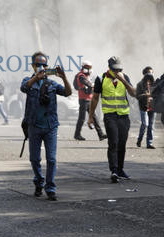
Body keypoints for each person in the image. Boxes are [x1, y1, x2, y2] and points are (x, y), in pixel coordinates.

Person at [21, 51, 72, 200]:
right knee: (34, 159)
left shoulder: (52, 84)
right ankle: (39, 181)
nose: (42, 67)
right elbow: (24, 88)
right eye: (38, 65)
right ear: (32, 66)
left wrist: (64, 77)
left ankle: (50, 188)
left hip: (50, 126)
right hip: (34, 126)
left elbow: (68, 92)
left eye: (44, 65)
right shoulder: (28, 80)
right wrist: (36, 77)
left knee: (51, 159)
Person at [89, 56, 137, 183]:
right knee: (113, 142)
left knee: (122, 144)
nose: (117, 72)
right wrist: (90, 117)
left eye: (119, 69)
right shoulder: (101, 79)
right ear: (109, 68)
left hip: (124, 116)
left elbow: (133, 93)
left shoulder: (125, 77)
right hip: (110, 116)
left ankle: (120, 169)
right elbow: (95, 98)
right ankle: (114, 170)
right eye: (114, 70)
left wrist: (123, 80)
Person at [73, 60, 105, 141]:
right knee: (82, 118)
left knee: (94, 117)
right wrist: (90, 86)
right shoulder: (81, 76)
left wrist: (90, 87)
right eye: (87, 68)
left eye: (90, 68)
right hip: (83, 100)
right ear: (83, 67)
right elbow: (83, 84)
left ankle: (101, 134)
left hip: (89, 99)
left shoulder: (86, 75)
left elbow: (80, 86)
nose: (89, 70)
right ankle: (77, 134)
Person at [135, 66, 155, 148]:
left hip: (152, 107)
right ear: (144, 74)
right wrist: (145, 95)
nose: (150, 74)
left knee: (151, 125)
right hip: (143, 107)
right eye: (149, 72)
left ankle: (149, 143)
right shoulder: (140, 84)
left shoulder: (155, 83)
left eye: (151, 72)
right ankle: (139, 139)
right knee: (145, 124)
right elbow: (137, 96)